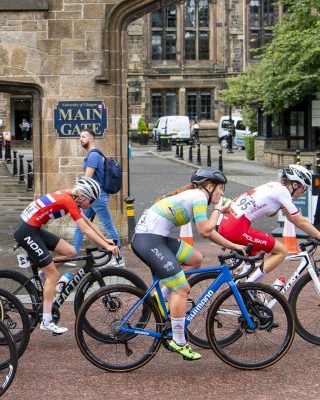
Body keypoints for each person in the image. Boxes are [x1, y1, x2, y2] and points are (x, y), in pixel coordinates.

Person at [131, 167, 245, 360]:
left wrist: (234, 245)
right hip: (149, 240)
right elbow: (204, 231)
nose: (222, 193)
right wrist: (218, 210)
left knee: (195, 259)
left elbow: (209, 231)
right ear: (209, 186)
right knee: (182, 289)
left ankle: (162, 297)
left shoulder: (196, 195)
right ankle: (178, 340)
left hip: (157, 238)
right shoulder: (199, 196)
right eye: (220, 188)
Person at [14, 177, 120, 334]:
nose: (91, 205)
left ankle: (44, 272)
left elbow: (88, 223)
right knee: (53, 275)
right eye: (91, 201)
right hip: (26, 232)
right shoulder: (68, 199)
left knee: (70, 252)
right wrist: (106, 247)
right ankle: (47, 321)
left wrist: (105, 240)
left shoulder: (72, 198)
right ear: (83, 195)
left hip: (32, 228)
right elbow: (85, 230)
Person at [217, 164, 320, 285]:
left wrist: (315, 232)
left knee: (257, 260)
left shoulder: (275, 187)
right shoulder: (282, 192)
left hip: (225, 223)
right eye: (304, 188)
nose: (304, 192)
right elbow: (300, 222)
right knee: (281, 251)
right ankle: (246, 286)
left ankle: (252, 292)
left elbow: (294, 218)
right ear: (295, 185)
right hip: (236, 228)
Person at [72, 128, 123, 266]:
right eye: (80, 137)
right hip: (93, 197)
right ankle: (73, 255)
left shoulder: (93, 155)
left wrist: (74, 193)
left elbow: (87, 178)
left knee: (108, 225)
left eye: (83, 137)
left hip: (97, 197)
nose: (81, 139)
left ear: (91, 138)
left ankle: (119, 258)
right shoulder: (93, 155)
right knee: (80, 225)